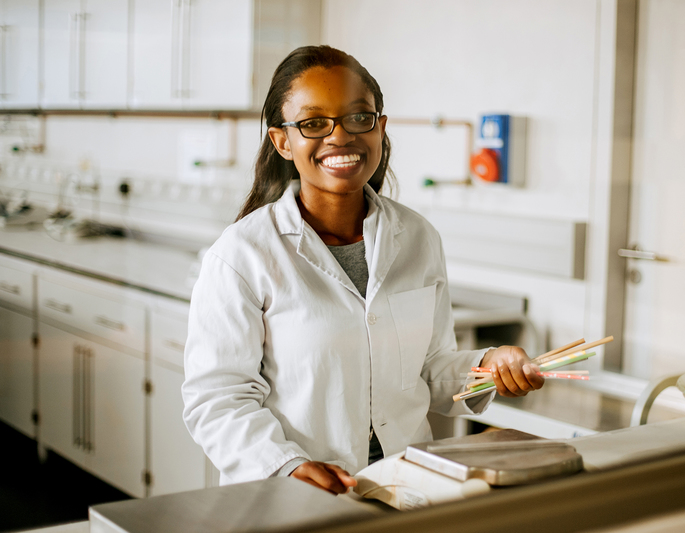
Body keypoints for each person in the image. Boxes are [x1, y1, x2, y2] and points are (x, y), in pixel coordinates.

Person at [182, 45, 544, 496]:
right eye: (314, 123)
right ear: (282, 141)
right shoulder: (243, 254)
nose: (340, 136)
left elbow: (429, 368)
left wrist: (490, 366)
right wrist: (285, 465)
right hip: (293, 494)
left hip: (406, 486)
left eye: (358, 117)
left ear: (380, 127)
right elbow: (216, 399)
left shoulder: (417, 237)